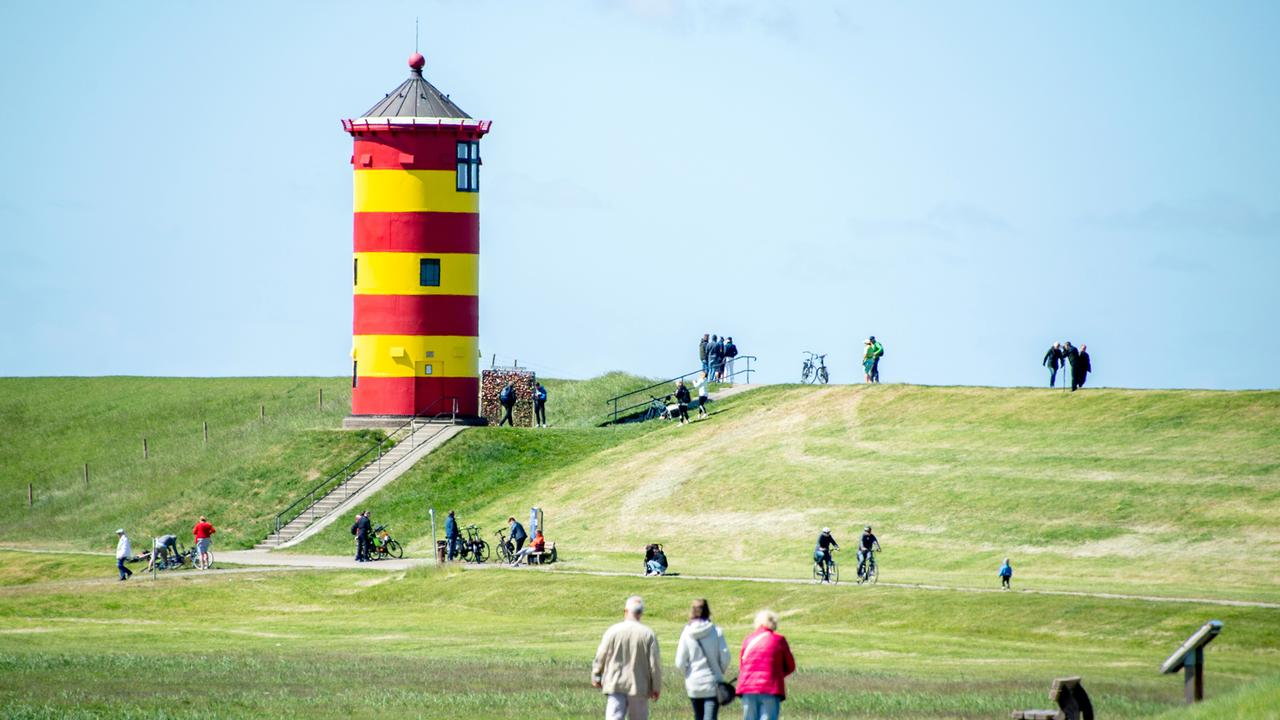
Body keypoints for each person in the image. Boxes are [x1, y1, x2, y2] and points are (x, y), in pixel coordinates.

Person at [593, 595, 662, 720]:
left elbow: (601, 655)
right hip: (638, 686)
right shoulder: (648, 634)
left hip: (615, 683)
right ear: (641, 613)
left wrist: (596, 675)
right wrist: (656, 686)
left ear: (626, 611)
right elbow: (654, 664)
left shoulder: (612, 631)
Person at [675, 598, 731, 720]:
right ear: (707, 611)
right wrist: (719, 671)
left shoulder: (686, 633)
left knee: (698, 716)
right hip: (712, 683)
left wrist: (688, 673)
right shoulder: (716, 632)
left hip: (694, 684)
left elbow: (679, 662)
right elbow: (726, 657)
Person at [737, 610, 796, 720]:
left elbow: (742, 666)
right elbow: (790, 665)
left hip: (748, 688)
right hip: (770, 688)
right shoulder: (779, 640)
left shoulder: (748, 640)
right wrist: (777, 674)